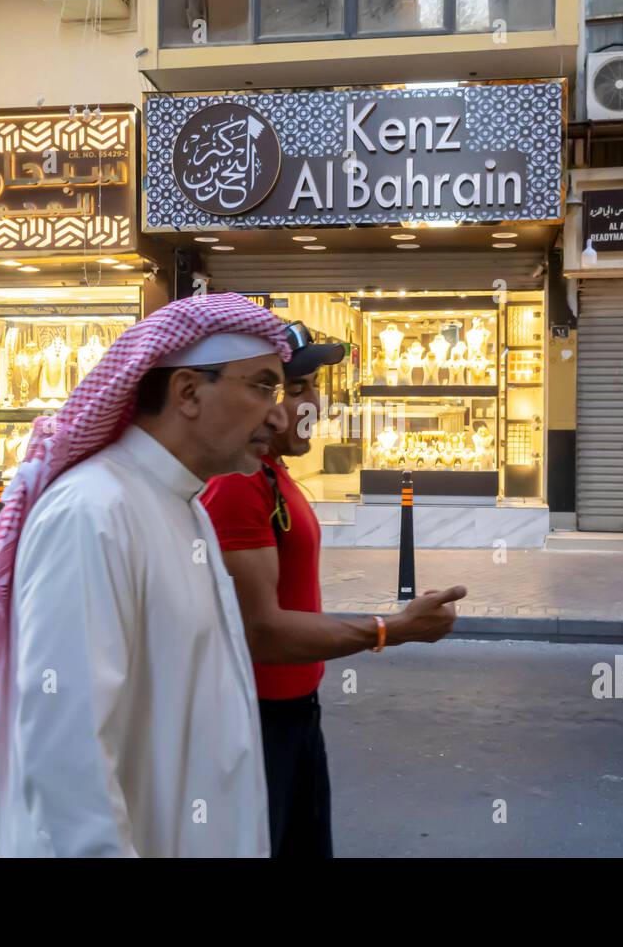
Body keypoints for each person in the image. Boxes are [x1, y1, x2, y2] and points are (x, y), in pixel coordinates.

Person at [0, 292, 294, 858]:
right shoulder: (94, 512)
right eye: (262, 386)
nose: (279, 414)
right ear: (188, 392)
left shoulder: (179, 502)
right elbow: (66, 751)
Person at [202, 320, 467, 858]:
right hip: (255, 721)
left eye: (310, 388)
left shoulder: (270, 472)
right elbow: (262, 632)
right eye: (293, 389)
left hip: (295, 710)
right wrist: (394, 629)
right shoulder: (236, 485)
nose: (312, 405)